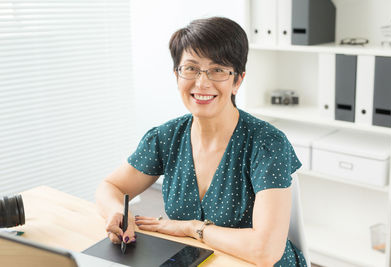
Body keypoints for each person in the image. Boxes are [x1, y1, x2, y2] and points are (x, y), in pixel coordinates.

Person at [96, 17, 307, 267]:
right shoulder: (166, 137)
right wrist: (118, 212)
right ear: (177, 75)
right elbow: (111, 186)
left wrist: (192, 228)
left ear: (237, 80)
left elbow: (266, 251)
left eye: (218, 69)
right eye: (191, 68)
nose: (202, 82)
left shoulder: (267, 144)